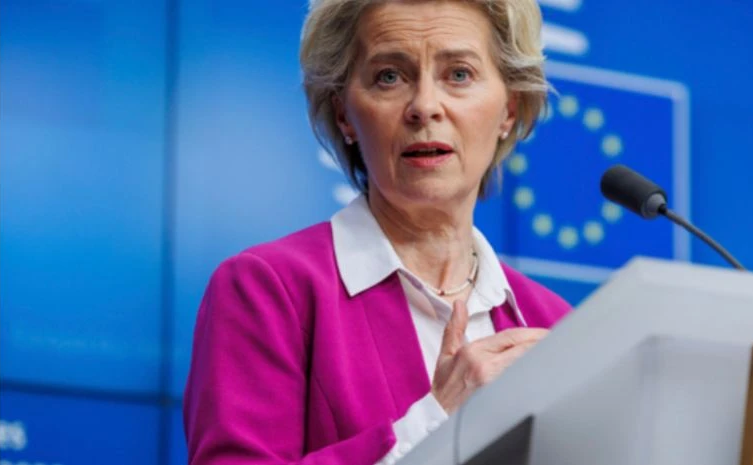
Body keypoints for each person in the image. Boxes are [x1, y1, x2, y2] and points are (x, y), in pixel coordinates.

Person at [183, 1, 571, 464]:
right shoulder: (267, 290)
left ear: (510, 108)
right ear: (344, 113)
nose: (425, 106)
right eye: (390, 76)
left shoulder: (554, 324)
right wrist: (438, 421)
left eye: (459, 74)